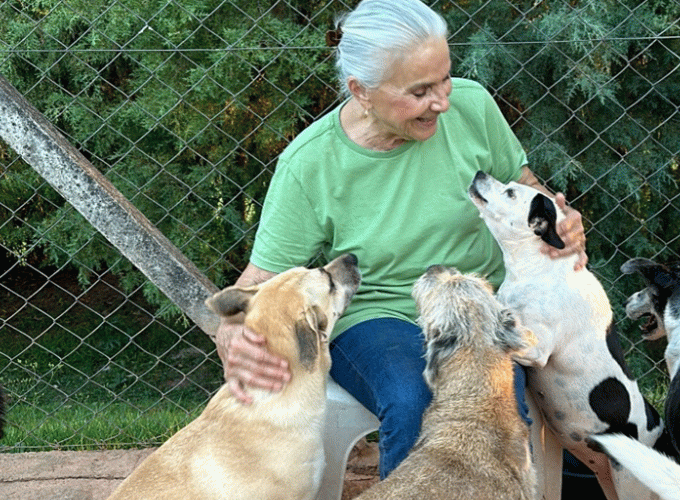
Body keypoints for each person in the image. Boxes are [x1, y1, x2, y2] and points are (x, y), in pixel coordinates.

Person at [215, 0, 589, 486]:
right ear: (361, 92)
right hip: (380, 314)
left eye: (445, 79)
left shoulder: (473, 106)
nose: (443, 102)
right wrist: (230, 334)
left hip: (483, 304)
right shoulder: (309, 164)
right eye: (420, 91)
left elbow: (525, 186)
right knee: (418, 397)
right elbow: (257, 284)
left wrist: (563, 221)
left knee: (530, 393)